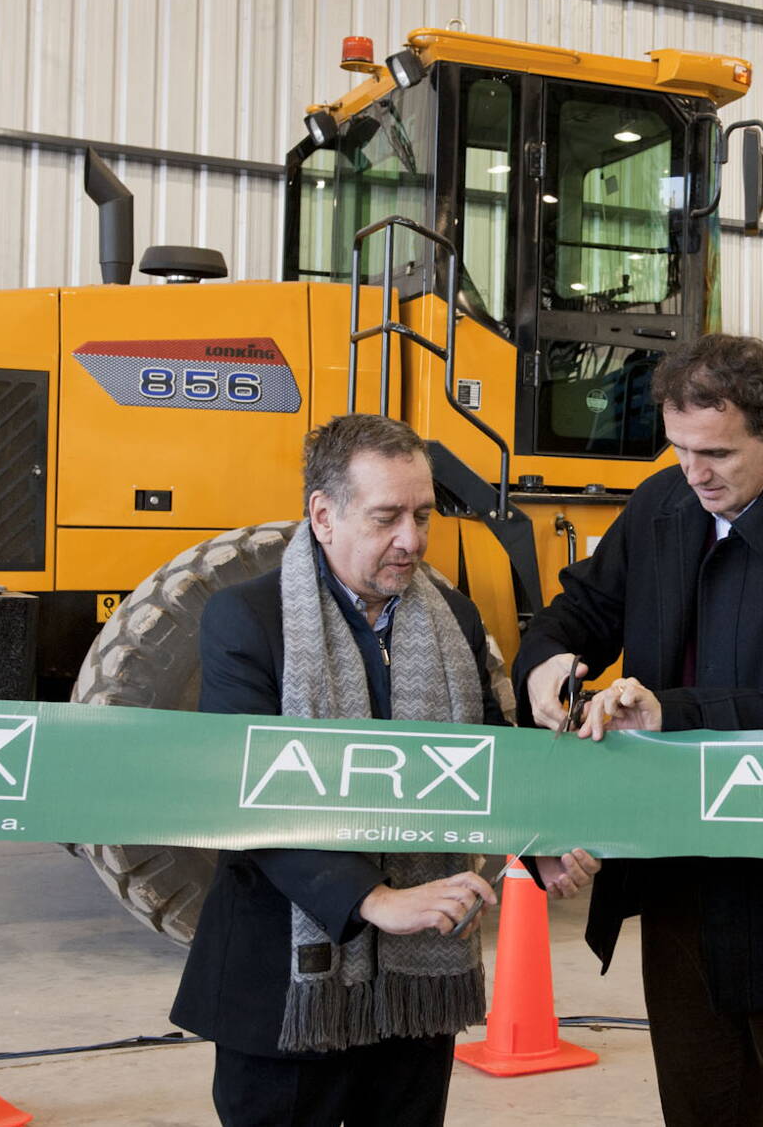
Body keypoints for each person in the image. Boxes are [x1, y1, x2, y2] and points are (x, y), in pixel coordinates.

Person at [514, 334, 763, 1127]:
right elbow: (581, 609)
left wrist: (676, 713)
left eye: (718, 452)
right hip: (682, 895)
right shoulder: (663, 506)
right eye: (680, 448)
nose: (696, 472)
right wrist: (547, 662)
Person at [173, 413, 599, 1127]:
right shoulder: (246, 621)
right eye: (387, 517)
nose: (413, 538)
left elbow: (484, 757)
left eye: (424, 514)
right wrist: (372, 897)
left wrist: (540, 842)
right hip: (285, 991)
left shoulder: (453, 618)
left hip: (414, 1000)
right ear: (324, 515)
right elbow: (249, 793)